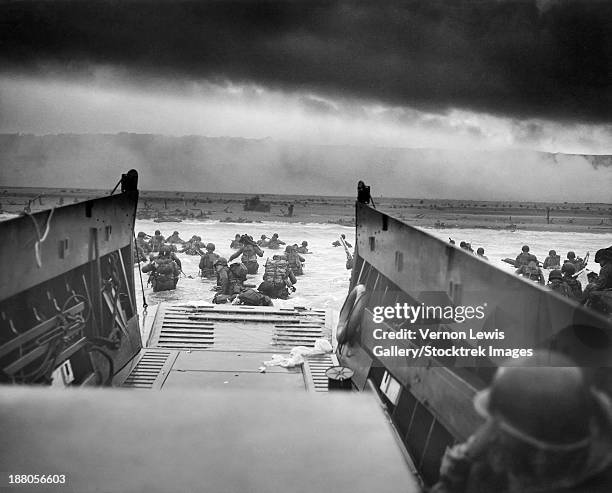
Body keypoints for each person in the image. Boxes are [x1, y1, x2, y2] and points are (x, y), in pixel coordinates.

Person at [430, 352, 612, 493]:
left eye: (500, 431)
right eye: (492, 424)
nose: (489, 436)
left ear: (541, 454)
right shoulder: (497, 459)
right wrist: (459, 470)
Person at [582, 247, 612, 313]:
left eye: (600, 262)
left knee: (590, 288)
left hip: (609, 291)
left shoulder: (605, 269)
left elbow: (600, 285)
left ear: (604, 259)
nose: (600, 264)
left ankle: (580, 306)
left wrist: (592, 285)